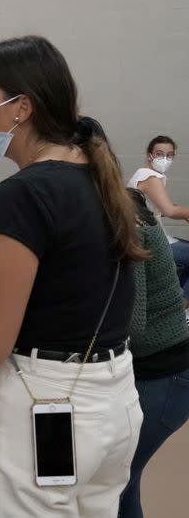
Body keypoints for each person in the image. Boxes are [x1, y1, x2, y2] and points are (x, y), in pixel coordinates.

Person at [0, 36, 145, 517]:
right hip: (112, 399)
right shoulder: (98, 177)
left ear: (21, 107)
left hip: (42, 402)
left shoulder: (23, 194)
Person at [118, 188, 189, 518]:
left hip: (168, 376)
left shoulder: (131, 235)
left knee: (120, 478)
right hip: (163, 371)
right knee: (123, 479)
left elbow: (132, 324)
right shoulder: (140, 225)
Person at [126, 136, 189, 298]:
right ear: (150, 155)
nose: (165, 159)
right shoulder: (151, 177)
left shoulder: (143, 175)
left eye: (169, 155)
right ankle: (180, 309)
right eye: (160, 154)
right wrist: (182, 213)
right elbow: (169, 211)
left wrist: (181, 213)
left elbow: (157, 208)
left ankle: (179, 301)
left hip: (143, 237)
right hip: (150, 241)